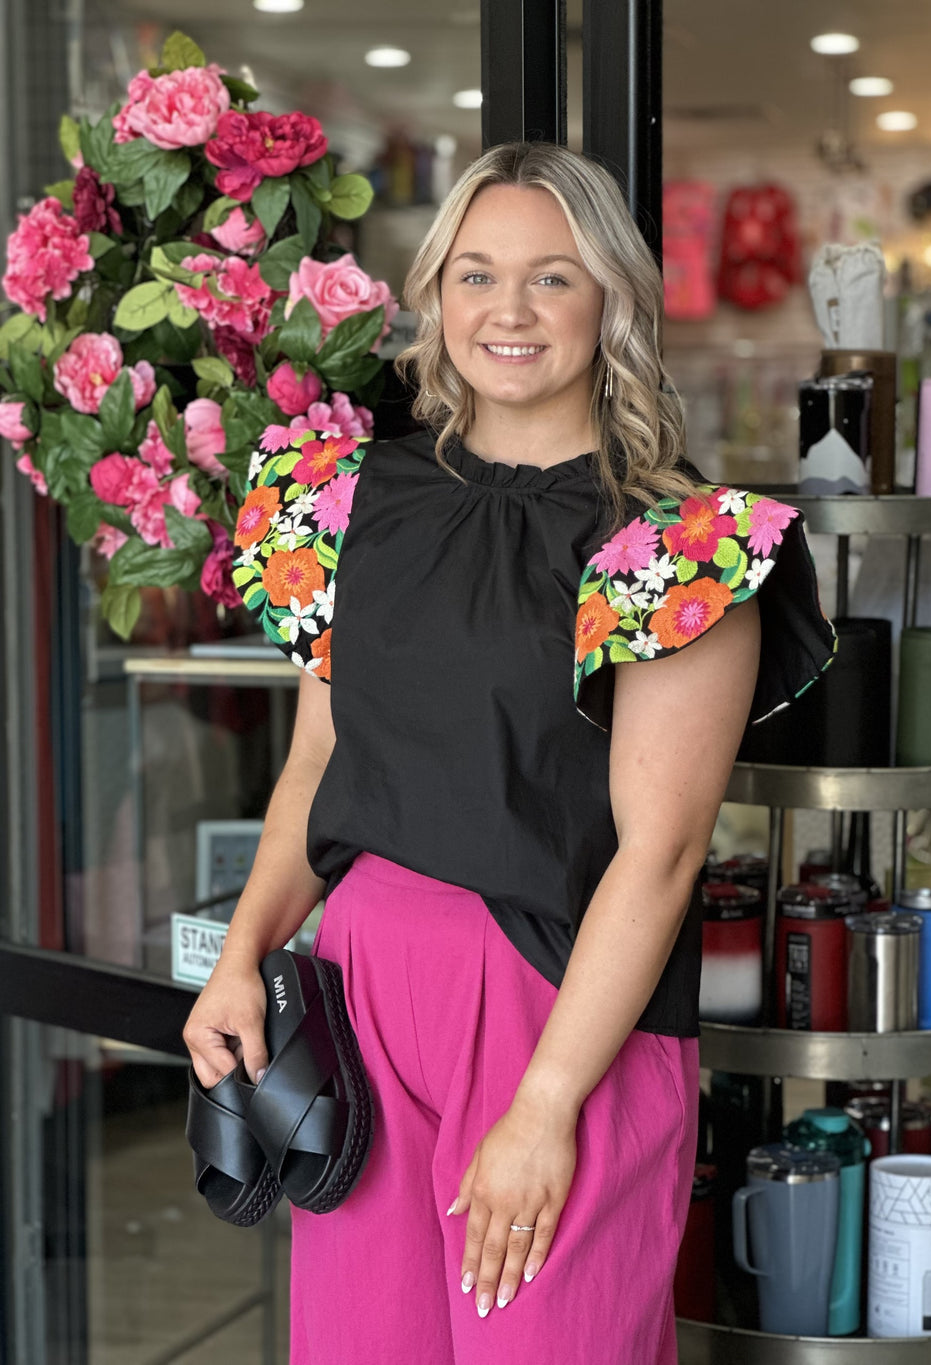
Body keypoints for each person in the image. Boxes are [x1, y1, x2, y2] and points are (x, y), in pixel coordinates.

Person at [184, 141, 835, 1364]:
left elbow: (660, 853)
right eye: (477, 274)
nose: (509, 311)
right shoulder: (346, 501)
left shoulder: (675, 545)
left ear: (611, 300)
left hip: (559, 1006)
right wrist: (242, 956)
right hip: (361, 989)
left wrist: (545, 1105)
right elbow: (320, 765)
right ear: (436, 294)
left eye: (552, 278)